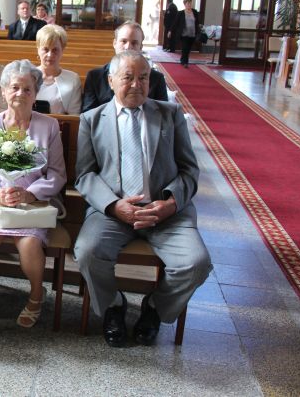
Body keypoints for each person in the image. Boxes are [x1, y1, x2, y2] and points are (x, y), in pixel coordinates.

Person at [74, 51, 211, 347]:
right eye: (128, 77)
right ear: (111, 81)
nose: (136, 84)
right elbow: (85, 175)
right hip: (113, 212)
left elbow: (189, 170)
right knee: (87, 252)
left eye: (143, 77)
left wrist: (170, 204)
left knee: (196, 263)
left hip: (165, 214)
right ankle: (113, 305)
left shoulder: (170, 114)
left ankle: (155, 308)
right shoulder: (92, 120)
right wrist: (114, 206)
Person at [0, 60, 66, 327]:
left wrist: (30, 194)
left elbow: (57, 173)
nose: (20, 93)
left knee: (29, 244)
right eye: (14, 87)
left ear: (36, 94)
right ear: (3, 91)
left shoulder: (49, 126)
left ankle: (36, 295)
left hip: (32, 203)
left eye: (27, 89)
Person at [82, 21, 168, 113]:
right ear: (114, 43)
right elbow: (88, 114)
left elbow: (163, 114)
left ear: (141, 47)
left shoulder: (157, 78)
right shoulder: (95, 76)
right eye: (124, 41)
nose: (128, 47)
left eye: (134, 43)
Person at [35, 25, 82, 115]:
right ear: (38, 50)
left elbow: (74, 116)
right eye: (45, 49)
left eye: (55, 50)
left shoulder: (73, 79)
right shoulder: (28, 76)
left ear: (62, 50)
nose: (50, 55)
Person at [167, 0, 201, 68]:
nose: (189, 5)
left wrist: (199, 29)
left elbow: (197, 22)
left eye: (190, 3)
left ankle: (183, 59)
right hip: (184, 34)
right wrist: (170, 31)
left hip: (192, 33)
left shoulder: (194, 12)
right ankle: (185, 62)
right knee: (185, 47)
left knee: (188, 49)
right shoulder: (181, 13)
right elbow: (175, 23)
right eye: (188, 3)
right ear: (185, 4)